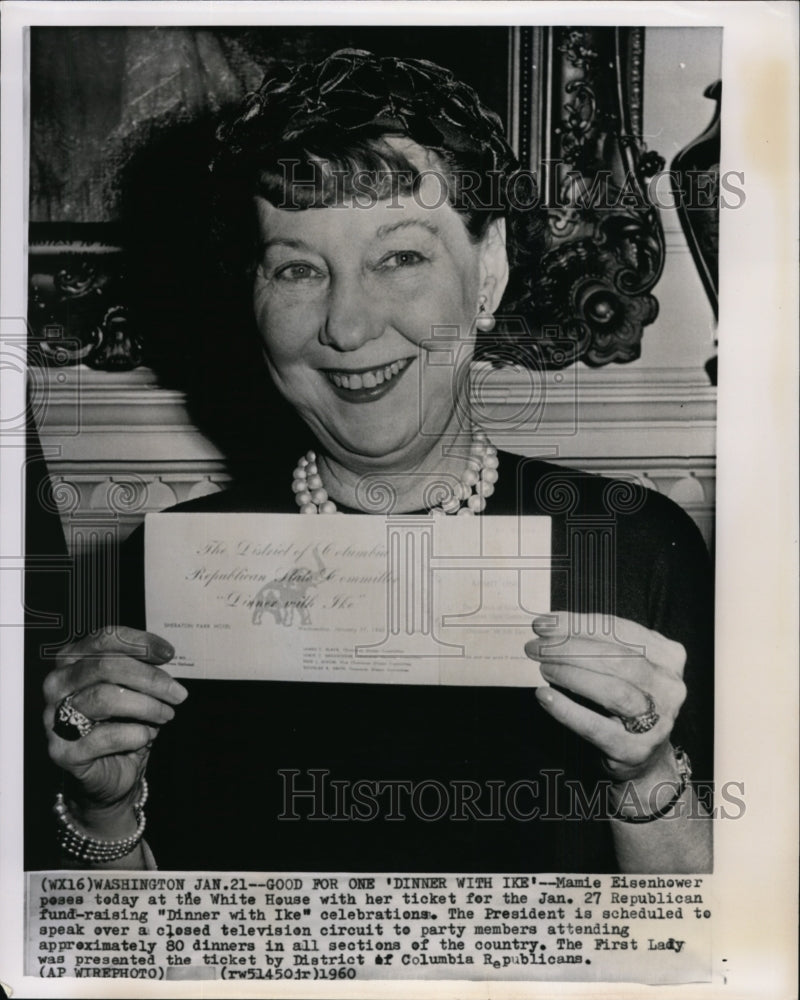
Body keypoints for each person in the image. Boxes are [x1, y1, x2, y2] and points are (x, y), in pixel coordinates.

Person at [41, 49, 713, 874]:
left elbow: (713, 954)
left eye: (400, 257)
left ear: (489, 270)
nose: (347, 327)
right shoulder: (166, 574)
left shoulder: (639, 548)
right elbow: (135, 965)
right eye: (297, 268)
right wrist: (101, 808)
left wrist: (645, 777)